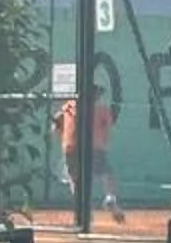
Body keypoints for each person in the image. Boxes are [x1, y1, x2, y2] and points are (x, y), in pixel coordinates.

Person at [53, 89, 124, 220]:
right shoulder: (101, 109)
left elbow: (56, 125)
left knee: (75, 179)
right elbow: (107, 128)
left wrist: (64, 138)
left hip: (71, 147)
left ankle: (83, 208)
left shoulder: (68, 107)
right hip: (93, 146)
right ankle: (110, 198)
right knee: (106, 174)